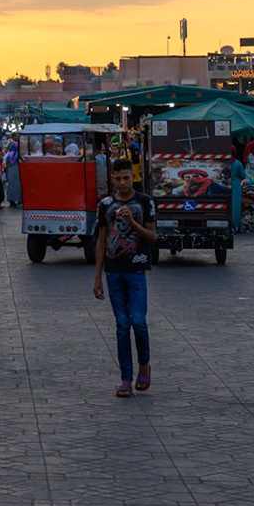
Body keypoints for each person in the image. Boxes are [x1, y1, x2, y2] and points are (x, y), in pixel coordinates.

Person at [91, 162, 157, 397]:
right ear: (113, 179)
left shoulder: (144, 202)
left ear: (133, 177)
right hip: (114, 271)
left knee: (138, 321)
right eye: (118, 179)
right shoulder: (106, 205)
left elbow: (152, 236)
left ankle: (144, 365)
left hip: (136, 269)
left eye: (126, 178)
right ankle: (126, 378)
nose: (122, 183)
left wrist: (132, 223)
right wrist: (98, 276)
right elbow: (101, 240)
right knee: (121, 325)